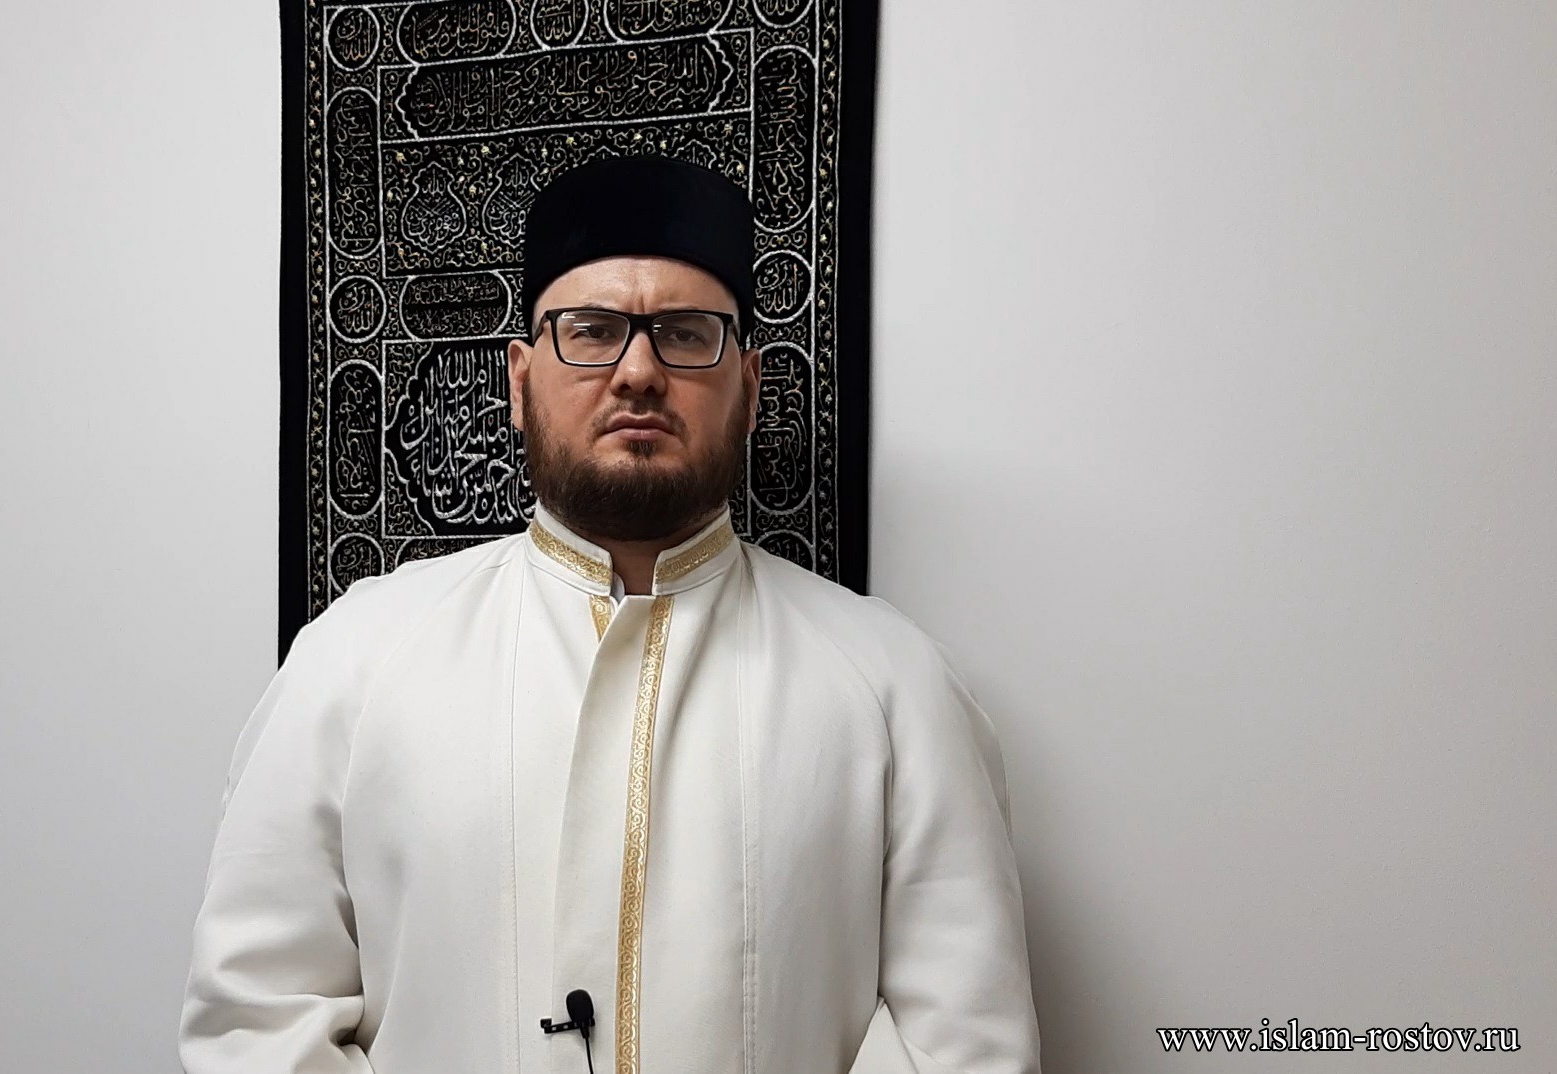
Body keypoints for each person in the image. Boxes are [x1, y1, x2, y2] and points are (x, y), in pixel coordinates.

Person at [178, 155, 1040, 1074]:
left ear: (751, 387)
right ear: (519, 381)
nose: (638, 372)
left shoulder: (895, 687)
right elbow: (256, 1025)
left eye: (685, 333)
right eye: (591, 331)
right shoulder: (352, 663)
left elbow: (964, 1047)